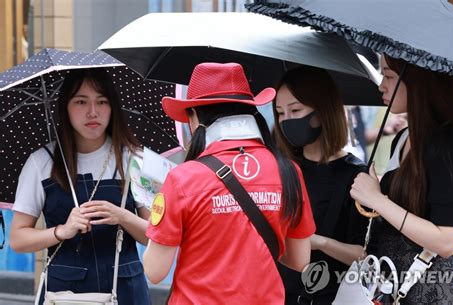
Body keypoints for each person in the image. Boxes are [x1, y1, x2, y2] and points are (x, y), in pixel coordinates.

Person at [143, 62, 315, 305]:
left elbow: (154, 270)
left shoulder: (183, 178)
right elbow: (299, 260)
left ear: (194, 116)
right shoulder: (288, 170)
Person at [10, 68, 151, 304]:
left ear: (112, 107)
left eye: (102, 101)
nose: (92, 112)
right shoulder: (41, 162)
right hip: (65, 295)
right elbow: (17, 238)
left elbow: (154, 235)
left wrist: (122, 216)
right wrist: (61, 231)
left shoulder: (134, 159)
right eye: (81, 102)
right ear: (66, 106)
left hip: (126, 291)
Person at [351, 54, 453, 304]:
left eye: (389, 76)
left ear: (418, 81)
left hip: (432, 294)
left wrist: (377, 199)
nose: (381, 85)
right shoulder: (405, 137)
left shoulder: (448, 143)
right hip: (393, 289)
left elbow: (446, 240)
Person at [273, 66, 369, 304]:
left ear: (322, 111)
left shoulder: (356, 175)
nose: (286, 120)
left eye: (295, 110)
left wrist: (320, 242)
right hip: (277, 294)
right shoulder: (279, 168)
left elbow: (365, 255)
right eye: (280, 113)